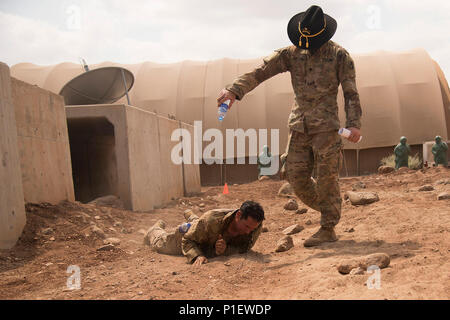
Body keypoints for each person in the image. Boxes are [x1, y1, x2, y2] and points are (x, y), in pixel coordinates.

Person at [217, 5, 362, 247]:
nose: (307, 47)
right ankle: (332, 207)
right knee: (295, 177)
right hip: (299, 127)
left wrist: (354, 124)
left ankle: (328, 226)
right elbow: (261, 71)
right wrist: (234, 90)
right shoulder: (292, 53)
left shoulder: (340, 56)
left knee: (327, 179)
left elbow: (351, 93)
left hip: (327, 129)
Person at [144, 201, 264, 266]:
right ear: (238, 215)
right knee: (160, 243)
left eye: (252, 229)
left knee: (199, 225)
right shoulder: (211, 220)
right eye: (247, 226)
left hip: (204, 230)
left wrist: (222, 250)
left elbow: (244, 248)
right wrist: (197, 255)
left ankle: (192, 218)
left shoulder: (255, 227)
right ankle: (155, 229)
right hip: (193, 237)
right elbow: (187, 240)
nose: (249, 231)